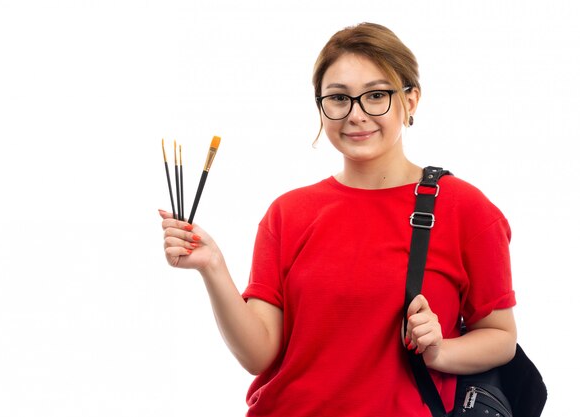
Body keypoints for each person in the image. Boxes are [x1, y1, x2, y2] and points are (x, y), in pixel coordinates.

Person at [159, 22, 517, 417]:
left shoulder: (465, 208)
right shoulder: (288, 213)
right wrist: (213, 266)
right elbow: (259, 356)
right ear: (321, 106)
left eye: (377, 95)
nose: (356, 115)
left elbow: (501, 338)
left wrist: (440, 350)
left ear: (411, 100)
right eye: (338, 98)